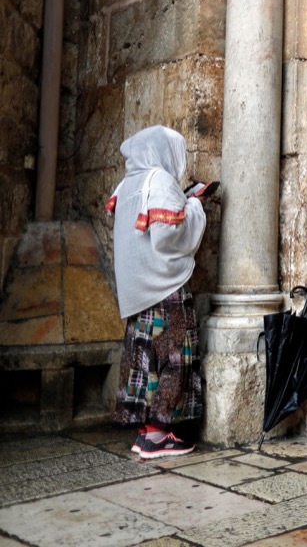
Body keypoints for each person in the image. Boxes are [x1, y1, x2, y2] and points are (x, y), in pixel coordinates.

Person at [106, 126, 209, 458]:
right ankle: (158, 435)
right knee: (177, 355)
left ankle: (144, 430)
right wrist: (194, 205)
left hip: (138, 290)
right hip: (165, 287)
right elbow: (169, 235)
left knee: (144, 357)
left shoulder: (127, 186)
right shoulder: (159, 181)